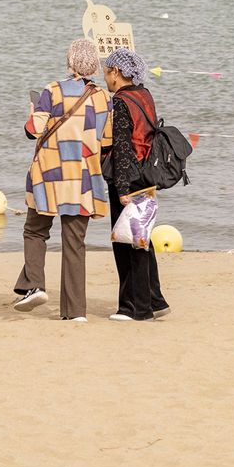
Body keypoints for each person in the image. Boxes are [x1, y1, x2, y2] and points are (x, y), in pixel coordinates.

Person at [13, 39, 113, 321]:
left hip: (49, 173)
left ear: (70, 62)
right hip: (83, 177)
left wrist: (31, 113)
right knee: (75, 243)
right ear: (94, 65)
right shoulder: (104, 97)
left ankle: (35, 284)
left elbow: (34, 130)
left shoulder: (53, 90)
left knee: (35, 230)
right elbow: (106, 140)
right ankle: (75, 312)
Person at [102, 48, 171, 322]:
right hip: (146, 174)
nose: (105, 79)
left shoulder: (120, 102)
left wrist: (120, 190)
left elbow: (121, 147)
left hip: (128, 178)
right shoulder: (144, 95)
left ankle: (135, 308)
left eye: (106, 73)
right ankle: (155, 299)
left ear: (116, 73)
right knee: (142, 239)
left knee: (126, 241)